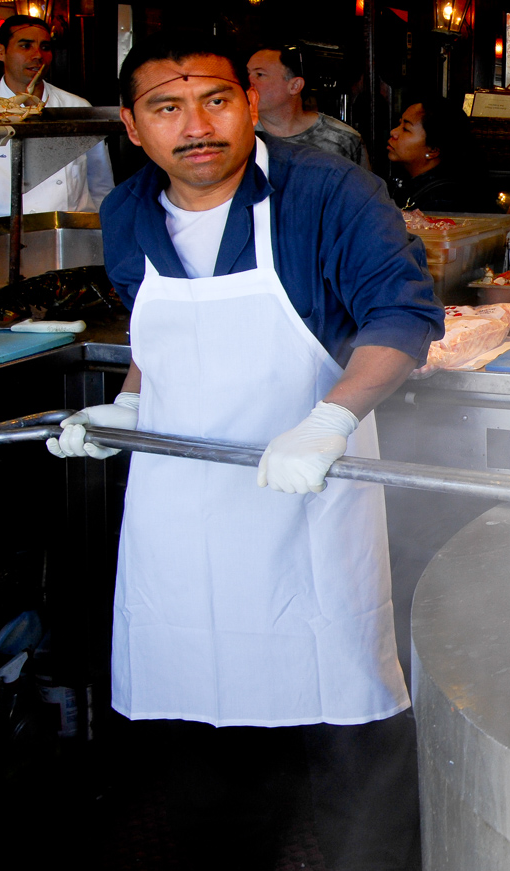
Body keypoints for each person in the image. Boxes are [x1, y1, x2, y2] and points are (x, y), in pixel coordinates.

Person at [45, 31, 443, 871]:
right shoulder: (126, 211)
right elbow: (157, 337)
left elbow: (402, 319)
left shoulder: (328, 192)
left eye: (216, 100)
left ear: (250, 105)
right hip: (181, 510)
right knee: (199, 725)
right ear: (132, 125)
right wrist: (125, 407)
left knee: (343, 722)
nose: (196, 125)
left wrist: (329, 421)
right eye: (167, 108)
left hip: (308, 496)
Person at [0, 15, 114, 219]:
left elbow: (101, 185)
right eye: (25, 46)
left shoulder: (77, 107)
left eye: (45, 47)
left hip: (68, 233)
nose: (38, 55)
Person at [248, 44, 370, 169]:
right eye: (248, 74)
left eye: (260, 74)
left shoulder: (342, 140)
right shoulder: (240, 134)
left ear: (295, 86)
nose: (249, 82)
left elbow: (364, 187)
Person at [386, 97, 494, 212]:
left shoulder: (444, 201)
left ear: (433, 150)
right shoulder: (402, 182)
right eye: (399, 124)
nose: (393, 132)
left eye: (406, 129)